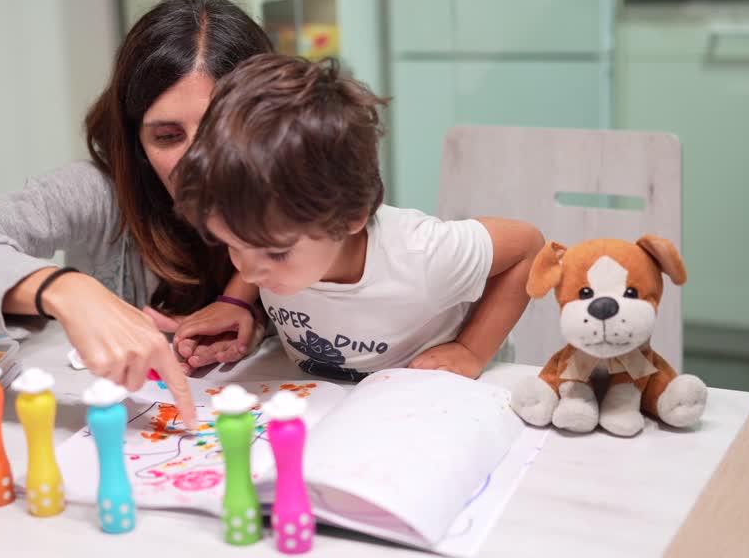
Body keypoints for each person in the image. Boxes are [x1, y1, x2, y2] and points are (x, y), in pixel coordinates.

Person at [0, 0, 274, 427]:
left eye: (217, 130)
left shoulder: (303, 190)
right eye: (167, 136)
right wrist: (64, 290)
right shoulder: (98, 192)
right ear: (135, 142)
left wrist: (250, 307)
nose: (197, 160)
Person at [171, 54, 544, 382]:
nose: (249, 272)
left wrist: (471, 350)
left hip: (443, 400)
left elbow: (527, 247)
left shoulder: (422, 257)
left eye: (276, 253)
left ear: (349, 216)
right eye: (234, 246)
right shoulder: (274, 242)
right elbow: (255, 247)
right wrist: (235, 302)